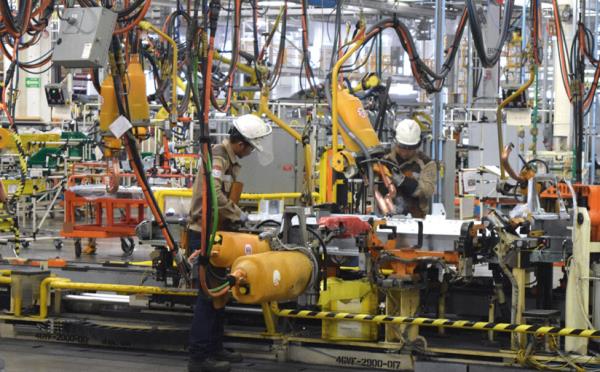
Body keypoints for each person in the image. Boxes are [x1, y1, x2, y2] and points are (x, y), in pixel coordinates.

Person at [187, 114, 273, 372]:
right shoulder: (219, 157)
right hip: (204, 233)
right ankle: (199, 358)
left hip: (218, 232)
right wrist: (240, 215)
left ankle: (214, 347)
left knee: (220, 293)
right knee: (208, 296)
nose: (250, 153)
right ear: (241, 144)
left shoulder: (228, 159)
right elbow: (213, 194)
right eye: (250, 148)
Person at [384, 119, 436, 218]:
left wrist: (405, 181)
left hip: (415, 218)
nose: (405, 153)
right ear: (396, 142)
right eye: (402, 147)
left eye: (410, 149)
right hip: (383, 216)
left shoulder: (426, 163)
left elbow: (428, 190)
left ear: (417, 145)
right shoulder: (384, 158)